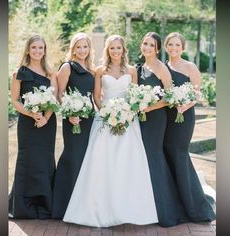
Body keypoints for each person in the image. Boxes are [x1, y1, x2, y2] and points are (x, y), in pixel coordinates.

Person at [63, 34, 158, 227]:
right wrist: (107, 113)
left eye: (119, 48)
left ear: (124, 50)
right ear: (107, 50)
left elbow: (134, 96)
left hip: (128, 122)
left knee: (127, 163)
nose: (115, 51)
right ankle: (98, 209)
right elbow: (97, 96)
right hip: (105, 121)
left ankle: (130, 209)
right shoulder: (99, 70)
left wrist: (125, 114)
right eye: (112, 48)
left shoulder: (132, 71)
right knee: (101, 162)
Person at [136, 32, 188, 226]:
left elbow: (170, 97)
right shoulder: (139, 67)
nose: (147, 47)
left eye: (151, 45)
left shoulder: (161, 68)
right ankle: (146, 205)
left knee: (154, 155)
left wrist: (151, 106)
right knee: (142, 158)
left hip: (156, 118)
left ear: (157, 48)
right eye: (145, 43)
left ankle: (166, 209)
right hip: (140, 119)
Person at [163, 32, 216, 222]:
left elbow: (196, 93)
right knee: (167, 153)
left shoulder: (189, 66)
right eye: (170, 45)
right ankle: (175, 200)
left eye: (177, 45)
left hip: (184, 117)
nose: (174, 48)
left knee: (179, 153)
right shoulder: (163, 67)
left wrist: (183, 106)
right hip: (167, 117)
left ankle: (193, 204)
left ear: (183, 47)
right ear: (166, 47)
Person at [9, 35, 58, 219]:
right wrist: (31, 114)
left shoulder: (50, 72)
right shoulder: (19, 73)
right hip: (27, 123)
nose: (38, 51)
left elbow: (53, 98)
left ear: (45, 50)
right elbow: (14, 99)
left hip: (47, 123)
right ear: (28, 49)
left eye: (41, 48)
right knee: (27, 159)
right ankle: (23, 207)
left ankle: (45, 205)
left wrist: (45, 117)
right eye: (34, 47)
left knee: (44, 161)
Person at [51, 32, 95, 219]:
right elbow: (59, 94)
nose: (82, 50)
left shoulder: (92, 69)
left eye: (85, 47)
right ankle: (62, 204)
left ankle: (82, 203)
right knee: (72, 156)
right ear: (73, 49)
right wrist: (69, 115)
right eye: (78, 47)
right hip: (73, 119)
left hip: (89, 119)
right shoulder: (67, 67)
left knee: (86, 158)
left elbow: (94, 96)